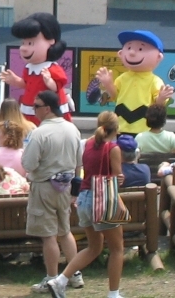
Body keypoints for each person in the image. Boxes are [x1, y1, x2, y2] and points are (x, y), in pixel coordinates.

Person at [44, 112, 125, 298]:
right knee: (117, 248)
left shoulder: (87, 144)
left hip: (84, 198)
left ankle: (60, 280)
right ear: (116, 128)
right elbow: (115, 178)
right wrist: (121, 179)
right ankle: (113, 294)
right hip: (103, 198)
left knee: (94, 247)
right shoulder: (113, 148)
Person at [21, 90, 84, 294]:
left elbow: (29, 164)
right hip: (66, 185)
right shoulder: (72, 129)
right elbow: (78, 162)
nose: (34, 110)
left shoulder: (39, 133)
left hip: (44, 185)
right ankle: (74, 274)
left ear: (47, 108)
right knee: (65, 231)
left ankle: (51, 278)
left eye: (36, 106)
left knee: (48, 235)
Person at [95, 30, 174, 135]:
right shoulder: (122, 78)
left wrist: (161, 98)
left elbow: (157, 106)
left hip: (144, 128)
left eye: (140, 49)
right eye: (128, 48)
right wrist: (108, 84)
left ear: (158, 57)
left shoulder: (154, 81)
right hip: (120, 127)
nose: (132, 53)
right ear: (121, 53)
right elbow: (116, 96)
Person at [0, 13, 72, 125]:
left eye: (30, 43)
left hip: (47, 111)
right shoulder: (29, 68)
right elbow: (27, 84)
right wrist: (16, 81)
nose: (23, 48)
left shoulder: (52, 67)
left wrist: (49, 81)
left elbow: (58, 86)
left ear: (51, 41)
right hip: (29, 107)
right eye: (23, 43)